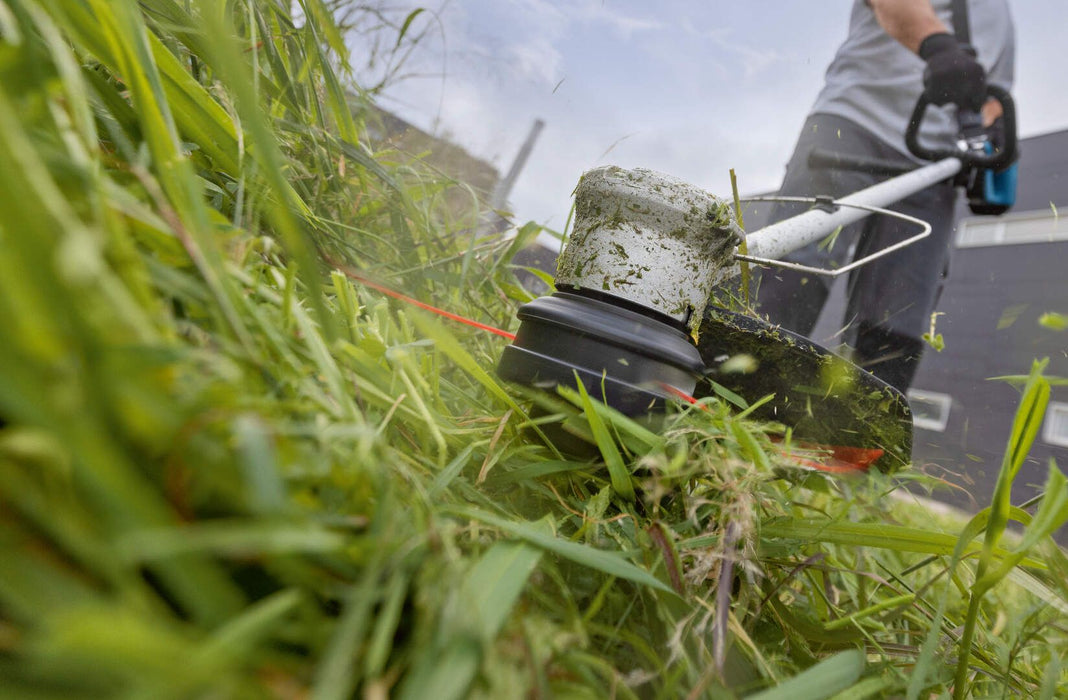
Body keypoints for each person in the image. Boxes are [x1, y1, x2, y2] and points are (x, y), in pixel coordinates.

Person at [755, 0, 1014, 393]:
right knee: (795, 263)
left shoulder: (1002, 17)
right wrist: (938, 46)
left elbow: (993, 93)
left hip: (936, 161)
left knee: (901, 310)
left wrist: (993, 127)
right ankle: (735, 395)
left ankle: (857, 436)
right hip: (854, 119)